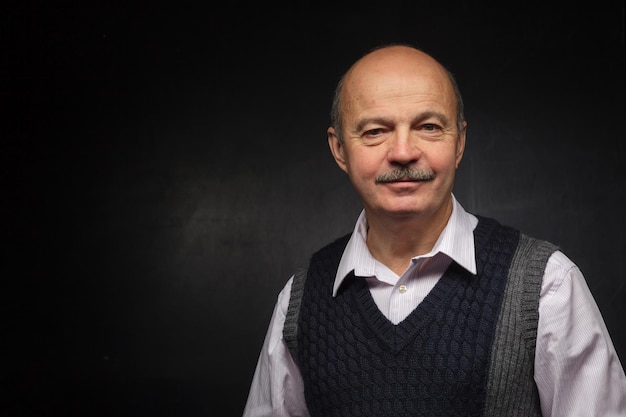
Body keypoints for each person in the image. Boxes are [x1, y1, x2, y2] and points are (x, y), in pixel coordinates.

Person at [242, 43, 626, 416]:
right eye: (375, 130)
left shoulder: (547, 286)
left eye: (428, 126)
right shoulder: (300, 300)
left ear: (459, 142)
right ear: (339, 148)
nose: (404, 152)